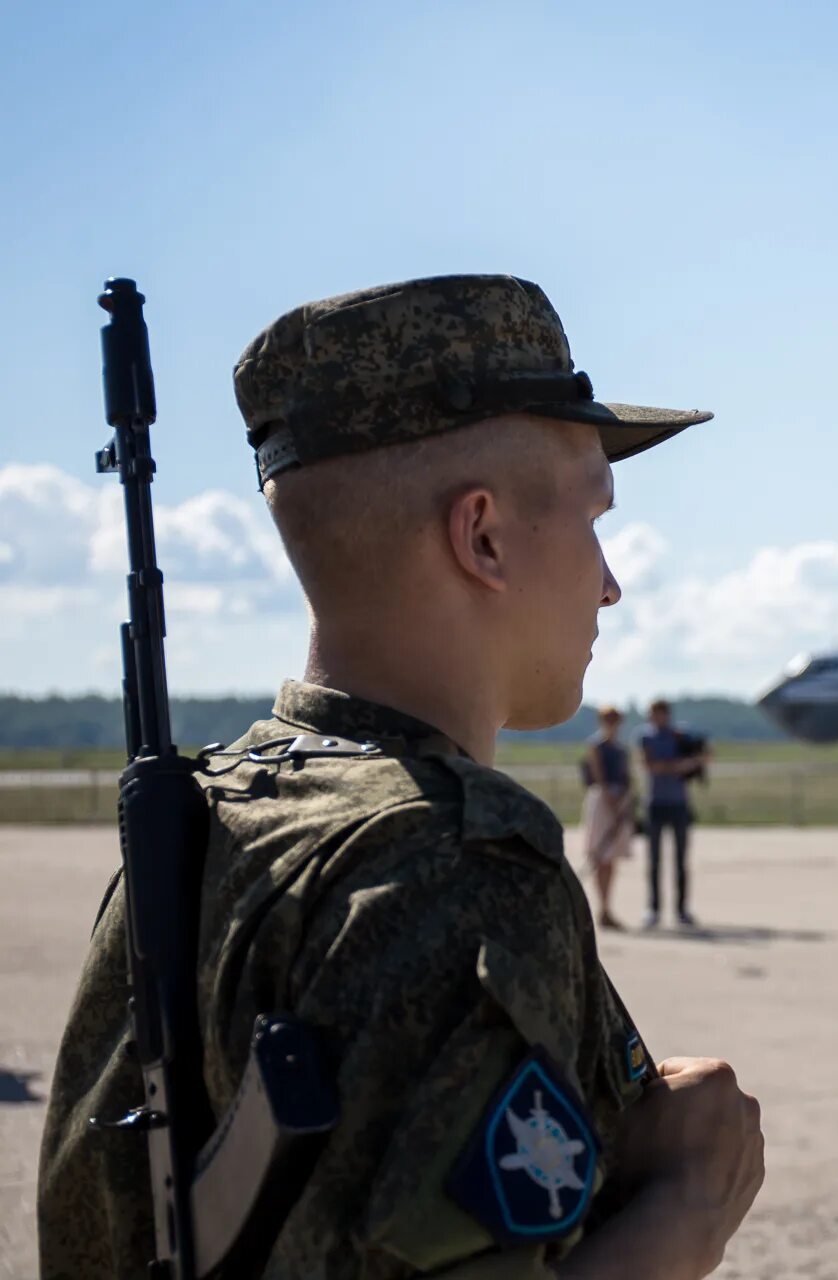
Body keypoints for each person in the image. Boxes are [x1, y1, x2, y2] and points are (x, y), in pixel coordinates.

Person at [38, 274, 763, 1278]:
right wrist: (688, 1205)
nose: (610, 580)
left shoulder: (212, 817)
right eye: (596, 516)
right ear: (484, 536)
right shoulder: (452, 867)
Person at [641, 699, 708, 929]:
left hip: (679, 803)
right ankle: (654, 908)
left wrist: (693, 762)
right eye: (655, 714)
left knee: (680, 859)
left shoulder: (680, 735)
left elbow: (702, 756)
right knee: (654, 860)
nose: (659, 718)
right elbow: (651, 766)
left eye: (662, 714)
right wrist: (679, 766)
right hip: (656, 803)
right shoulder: (647, 737)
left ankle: (681, 909)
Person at [581, 704, 636, 929]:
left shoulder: (622, 749)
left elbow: (627, 777)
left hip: (620, 801)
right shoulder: (597, 746)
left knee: (611, 859)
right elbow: (599, 777)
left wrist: (624, 803)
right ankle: (602, 907)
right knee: (601, 857)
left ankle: (606, 907)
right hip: (603, 803)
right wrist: (611, 805)